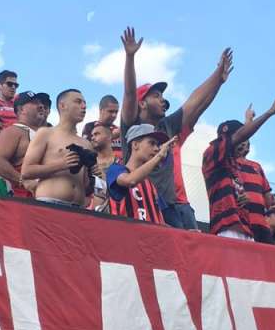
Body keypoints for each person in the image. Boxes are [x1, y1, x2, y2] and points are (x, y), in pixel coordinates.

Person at [119, 26, 233, 229]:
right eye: (156, 96)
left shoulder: (167, 125)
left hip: (173, 206)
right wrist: (130, 57)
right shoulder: (132, 125)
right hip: (144, 203)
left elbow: (194, 102)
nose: (163, 100)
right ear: (142, 103)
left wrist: (217, 78)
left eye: (162, 96)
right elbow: (129, 94)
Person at [201, 105, 275, 242]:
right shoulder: (212, 153)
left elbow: (241, 136)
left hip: (245, 229)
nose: (243, 142)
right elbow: (241, 135)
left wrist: (242, 198)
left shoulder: (233, 164)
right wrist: (270, 112)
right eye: (240, 139)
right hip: (226, 228)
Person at [21, 89, 95, 207]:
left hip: (78, 207)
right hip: (50, 203)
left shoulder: (87, 144)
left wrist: (94, 174)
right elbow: (26, 171)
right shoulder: (46, 133)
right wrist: (61, 164)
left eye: (84, 103)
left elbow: (86, 184)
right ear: (62, 105)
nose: (84, 106)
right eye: (78, 102)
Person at [105, 126, 177, 223]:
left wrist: (183, 231)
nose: (157, 149)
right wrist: (159, 156)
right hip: (125, 231)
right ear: (135, 145)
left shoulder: (150, 184)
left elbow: (160, 221)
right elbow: (130, 180)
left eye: (158, 145)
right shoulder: (115, 169)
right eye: (152, 143)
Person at [0, 90, 49, 198]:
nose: (41, 106)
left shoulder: (47, 134)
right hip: (28, 200)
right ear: (21, 109)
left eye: (41, 103)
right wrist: (23, 181)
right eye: (35, 103)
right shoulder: (13, 131)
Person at [82, 95, 122, 159]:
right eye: (110, 111)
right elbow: (86, 149)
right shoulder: (90, 127)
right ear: (101, 110)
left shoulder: (118, 130)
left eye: (116, 112)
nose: (114, 115)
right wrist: (111, 136)